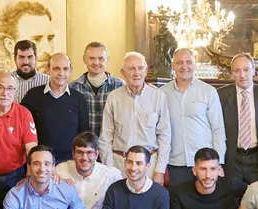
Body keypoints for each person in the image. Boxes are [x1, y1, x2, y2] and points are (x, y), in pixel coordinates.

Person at [99, 52, 171, 184]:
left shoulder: (158, 96)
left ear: (146, 70)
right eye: (131, 69)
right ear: (122, 73)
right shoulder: (114, 97)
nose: (136, 73)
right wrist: (109, 171)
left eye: (140, 68)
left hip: (149, 165)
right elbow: (105, 137)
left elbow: (165, 136)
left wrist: (159, 170)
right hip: (120, 165)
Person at [160, 48, 226, 186]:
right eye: (179, 63)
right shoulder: (161, 94)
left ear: (194, 65)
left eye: (188, 62)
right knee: (179, 206)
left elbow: (218, 130)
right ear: (173, 66)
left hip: (205, 165)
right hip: (175, 165)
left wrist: (218, 164)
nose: (184, 66)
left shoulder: (209, 91)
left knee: (206, 205)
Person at [54, 132, 122, 209]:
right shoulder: (61, 170)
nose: (84, 158)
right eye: (79, 152)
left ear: (96, 154)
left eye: (89, 152)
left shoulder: (111, 175)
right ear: (73, 154)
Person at [217, 53, 258, 185]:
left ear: (254, 70)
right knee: (230, 200)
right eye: (237, 71)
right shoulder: (220, 95)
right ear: (232, 73)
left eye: (246, 70)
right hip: (232, 158)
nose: (242, 75)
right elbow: (216, 128)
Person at [21, 53, 90, 165]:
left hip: (71, 163)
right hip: (41, 163)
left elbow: (84, 135)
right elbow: (22, 130)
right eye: (56, 68)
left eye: (65, 69)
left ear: (70, 70)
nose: (61, 73)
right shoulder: (32, 96)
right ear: (48, 70)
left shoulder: (79, 99)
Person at [70, 42, 126, 137]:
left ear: (107, 60)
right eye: (92, 58)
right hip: (85, 148)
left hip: (112, 146)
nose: (96, 63)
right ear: (84, 60)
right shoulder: (74, 87)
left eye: (100, 58)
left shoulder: (119, 85)